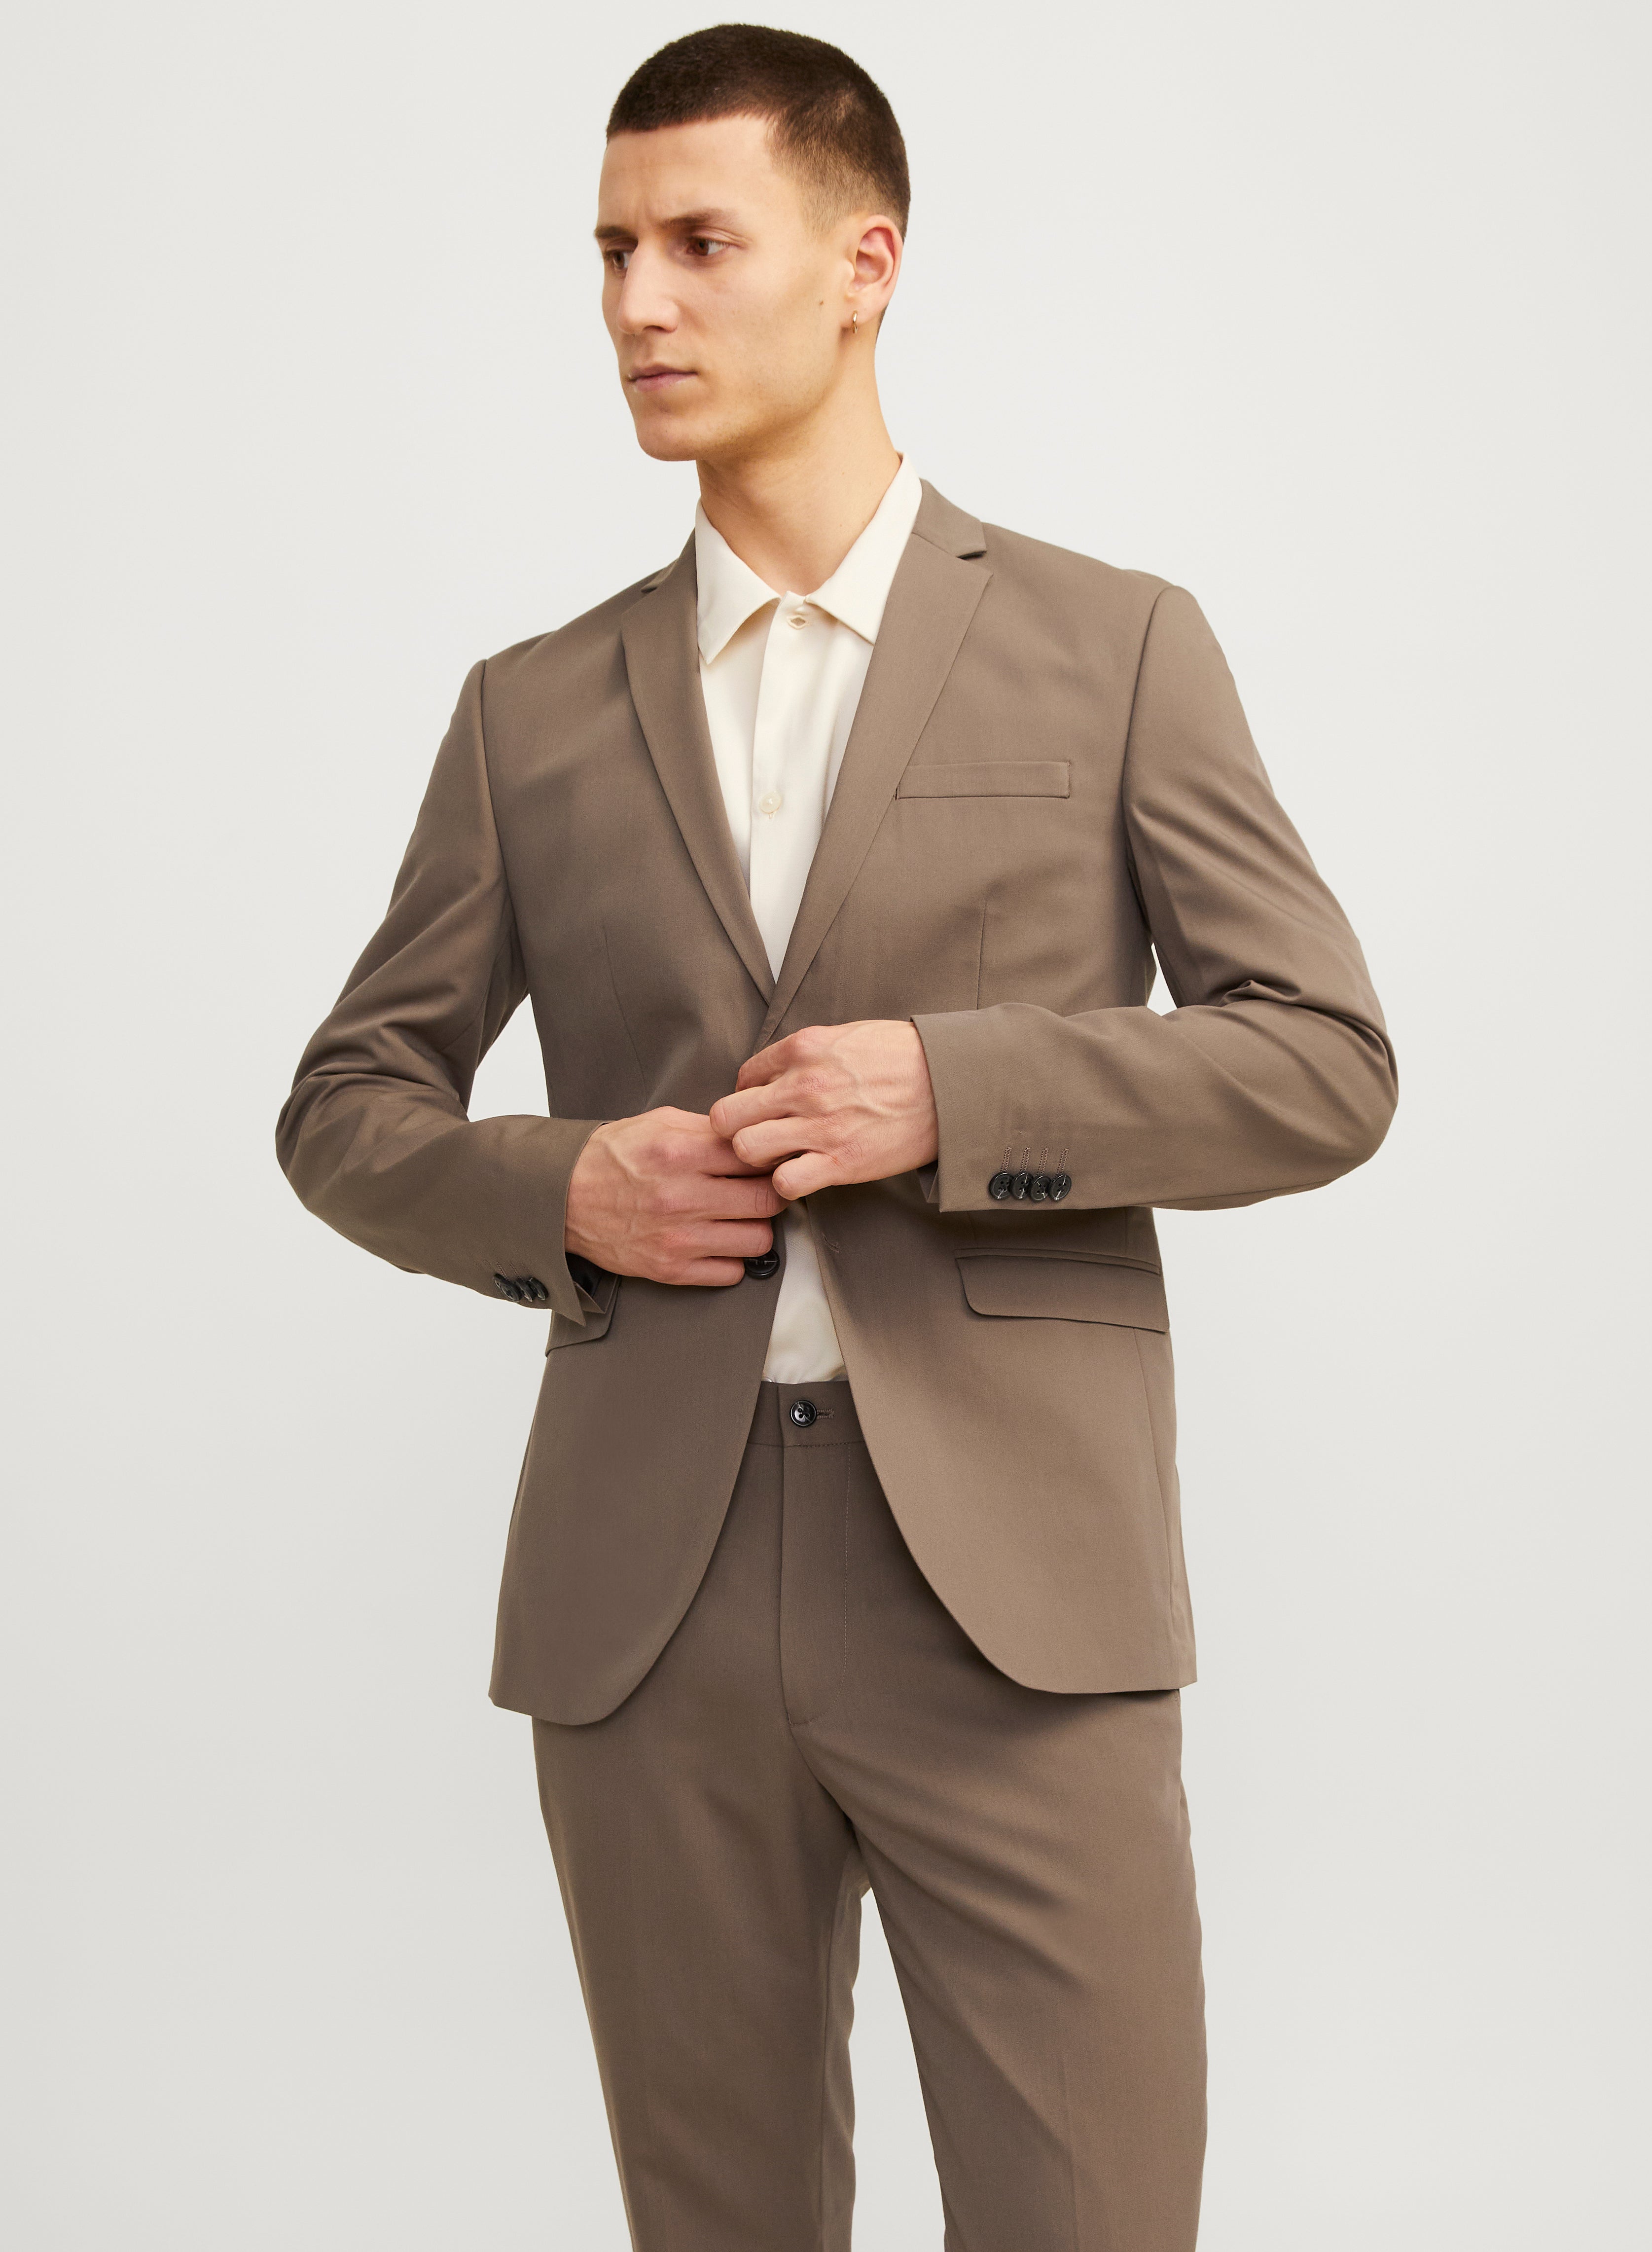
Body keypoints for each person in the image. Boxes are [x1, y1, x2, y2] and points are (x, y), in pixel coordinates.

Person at [277, 24, 1397, 2250]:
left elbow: (1320, 1061)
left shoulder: (1112, 647)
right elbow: (347, 1105)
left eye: (699, 243)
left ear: (864, 264)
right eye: (609, 252)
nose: (636, 303)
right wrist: (565, 1185)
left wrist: (959, 1091)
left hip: (1015, 1605)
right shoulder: (529, 711)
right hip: (650, 1605)